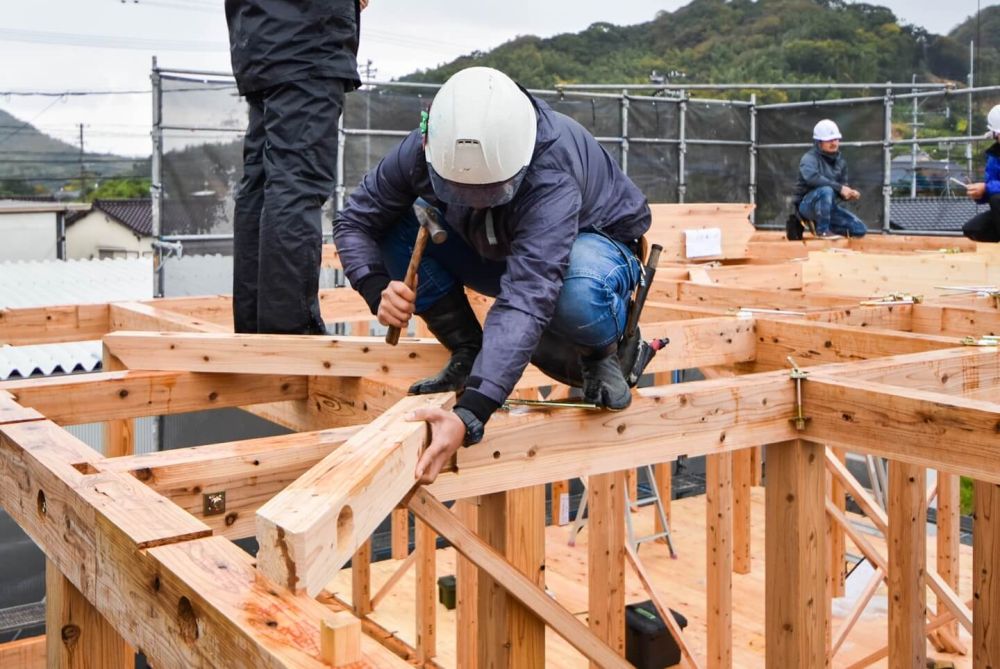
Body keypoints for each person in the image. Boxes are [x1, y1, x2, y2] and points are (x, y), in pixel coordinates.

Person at [333, 67, 652, 484]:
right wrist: (376, 288)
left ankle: (602, 353)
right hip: (496, 245)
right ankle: (467, 350)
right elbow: (355, 222)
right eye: (460, 192)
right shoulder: (425, 147)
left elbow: (528, 294)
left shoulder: (549, 170)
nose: (473, 200)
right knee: (392, 224)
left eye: (489, 192)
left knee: (576, 289)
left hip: (594, 250)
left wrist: (472, 412)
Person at [225, 0, 364, 334]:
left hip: (260, 34)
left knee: (261, 185)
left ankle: (257, 333)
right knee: (297, 185)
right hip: (308, 37)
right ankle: (291, 332)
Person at [792, 119, 867, 240]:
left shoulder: (840, 162)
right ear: (819, 142)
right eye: (829, 140)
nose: (834, 143)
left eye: (836, 139)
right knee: (826, 190)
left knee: (859, 229)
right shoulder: (809, 158)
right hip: (807, 206)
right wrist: (840, 188)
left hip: (827, 209)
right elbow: (812, 178)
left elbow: (841, 187)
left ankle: (821, 226)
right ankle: (822, 231)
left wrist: (848, 194)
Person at [961, 104, 1000, 242]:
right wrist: (979, 194)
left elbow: (994, 191)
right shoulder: (994, 155)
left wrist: (987, 188)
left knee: (997, 198)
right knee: (973, 229)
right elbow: (991, 189)